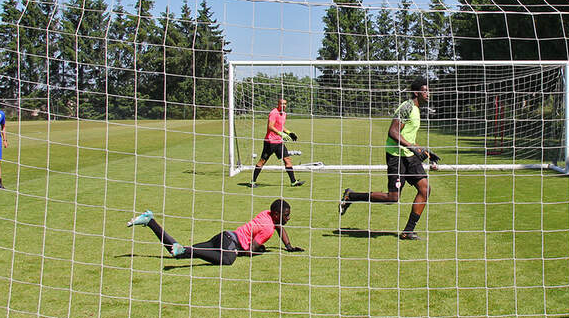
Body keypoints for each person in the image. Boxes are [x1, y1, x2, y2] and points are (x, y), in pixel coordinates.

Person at [339, 77, 439, 240]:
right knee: (393, 197)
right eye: (425, 90)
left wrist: (424, 152)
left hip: (409, 156)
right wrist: (413, 148)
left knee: (425, 189)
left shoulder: (417, 109)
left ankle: (408, 231)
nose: (428, 93)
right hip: (396, 156)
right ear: (417, 92)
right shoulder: (407, 106)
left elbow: (407, 136)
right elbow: (393, 132)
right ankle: (351, 196)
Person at [127, 198, 303, 266]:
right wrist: (261, 250)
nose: (288, 218)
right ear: (276, 214)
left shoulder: (266, 214)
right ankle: (186, 250)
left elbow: (281, 228)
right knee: (228, 259)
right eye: (286, 216)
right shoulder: (268, 229)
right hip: (229, 244)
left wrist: (288, 246)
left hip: (223, 235)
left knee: (178, 254)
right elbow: (249, 251)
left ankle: (150, 221)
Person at [249, 98, 304, 188]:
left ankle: (293, 182)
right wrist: (280, 133)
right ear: (278, 104)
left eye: (285, 104)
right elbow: (270, 126)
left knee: (287, 160)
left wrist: (289, 133)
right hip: (270, 142)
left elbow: (281, 126)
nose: (284, 106)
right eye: (282, 104)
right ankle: (252, 182)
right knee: (262, 161)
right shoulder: (273, 113)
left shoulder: (284, 114)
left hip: (279, 142)